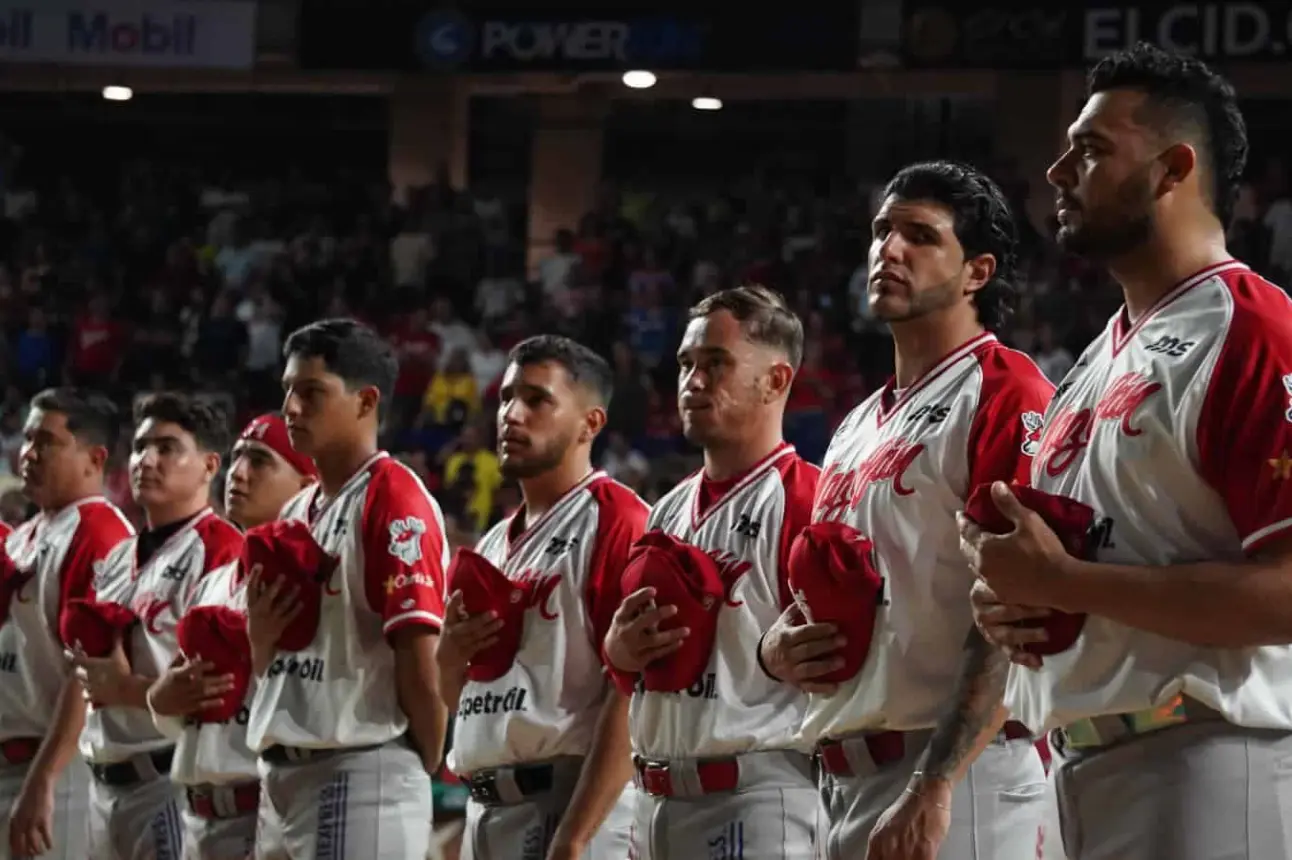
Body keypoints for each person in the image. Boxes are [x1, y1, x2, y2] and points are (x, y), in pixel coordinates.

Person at [962, 42, 1292, 859]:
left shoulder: (1252, 329)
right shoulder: (1096, 358)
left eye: (1092, 149)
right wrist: (1015, 604)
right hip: (1077, 766)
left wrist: (1065, 581)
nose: (1057, 170)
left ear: (1173, 169)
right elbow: (1095, 572)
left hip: (1206, 759)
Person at [759, 162, 1052, 860]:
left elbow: (1018, 608)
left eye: (919, 236)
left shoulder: (1007, 391)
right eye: (881, 231)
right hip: (846, 773)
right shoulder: (855, 424)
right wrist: (777, 649)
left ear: (977, 271)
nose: (888, 249)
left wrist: (936, 784)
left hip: (959, 777)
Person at [603, 285, 819, 860]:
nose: (693, 380)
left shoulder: (810, 500)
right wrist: (619, 655)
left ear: (776, 380)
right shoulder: (664, 510)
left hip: (757, 795)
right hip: (652, 802)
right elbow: (642, 674)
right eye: (686, 364)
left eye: (716, 363)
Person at [436, 335, 648, 860]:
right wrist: (448, 656)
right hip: (484, 804)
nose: (511, 414)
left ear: (590, 423)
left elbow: (633, 690)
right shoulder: (491, 543)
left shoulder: (618, 520)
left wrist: (576, 835)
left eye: (536, 400)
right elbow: (455, 697)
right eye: (507, 398)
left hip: (570, 804)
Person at [248, 318, 450, 860]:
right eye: (288, 390)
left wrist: (421, 758)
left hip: (359, 768)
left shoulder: (393, 497)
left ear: (365, 402)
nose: (291, 407)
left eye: (311, 392)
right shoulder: (296, 508)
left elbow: (416, 650)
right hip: (280, 774)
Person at [71, 393, 242, 860]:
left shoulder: (223, 550)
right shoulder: (117, 557)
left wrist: (124, 687)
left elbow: (217, 689)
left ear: (209, 466)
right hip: (101, 777)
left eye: (167, 448)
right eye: (141, 447)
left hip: (168, 781)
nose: (147, 460)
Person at [146, 414, 317, 859]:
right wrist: (161, 700)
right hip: (196, 812)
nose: (238, 473)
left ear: (305, 485)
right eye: (237, 458)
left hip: (263, 810)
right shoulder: (214, 583)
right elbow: (184, 713)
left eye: (259, 461)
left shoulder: (308, 579)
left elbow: (311, 705)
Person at [0, 389, 134, 860]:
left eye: (47, 442)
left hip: (59, 767)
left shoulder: (98, 531)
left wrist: (44, 778)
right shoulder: (28, 533)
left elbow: (88, 670)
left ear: (94, 459)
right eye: (28, 438)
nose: (28, 452)